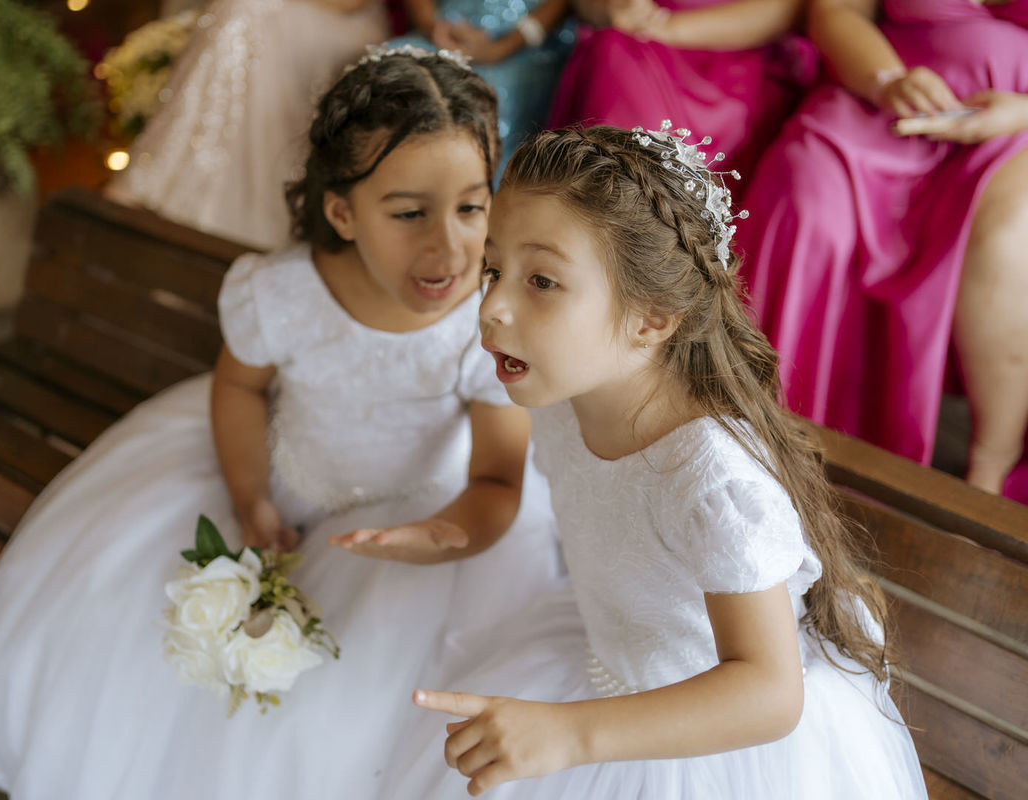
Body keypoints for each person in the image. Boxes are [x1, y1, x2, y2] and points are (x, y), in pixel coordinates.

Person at [0, 49, 562, 800]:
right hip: (286, 484)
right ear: (342, 211)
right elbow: (238, 388)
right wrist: (248, 498)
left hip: (438, 519)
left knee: (353, 703)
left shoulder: (483, 322)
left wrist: (439, 535)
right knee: (142, 644)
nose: (449, 245)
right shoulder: (282, 292)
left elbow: (498, 478)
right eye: (408, 213)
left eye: (472, 207)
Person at [379, 125, 926, 798]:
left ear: (653, 317)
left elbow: (769, 692)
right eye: (494, 269)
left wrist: (569, 734)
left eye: (541, 280)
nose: (492, 305)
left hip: (709, 742)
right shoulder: (558, 397)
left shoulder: (711, 483)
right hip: (599, 659)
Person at [735, 0, 1028, 500]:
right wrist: (886, 80)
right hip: (883, 95)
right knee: (805, 198)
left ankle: (989, 466)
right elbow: (837, 10)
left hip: (1014, 127)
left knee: (1003, 239)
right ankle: (755, 421)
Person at [104, 0, 389, 250]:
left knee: (245, 12)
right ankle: (190, 173)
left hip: (342, 18)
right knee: (238, 8)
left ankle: (237, 205)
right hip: (286, 12)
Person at [548, 0, 814, 184]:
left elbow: (794, 8)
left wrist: (665, 27)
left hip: (740, 45)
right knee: (614, 60)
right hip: (634, 38)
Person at [391, 0, 575, 173]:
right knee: (391, 74)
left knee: (489, 104)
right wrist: (434, 28)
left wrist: (500, 48)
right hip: (444, 32)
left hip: (521, 46)